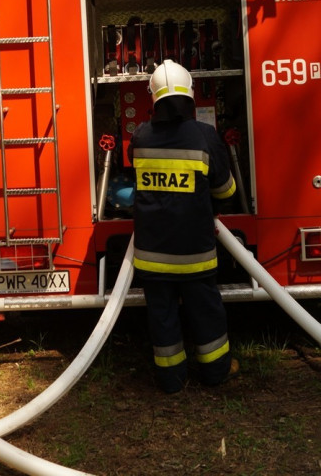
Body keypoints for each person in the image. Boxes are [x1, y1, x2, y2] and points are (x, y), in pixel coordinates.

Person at [128, 59, 238, 393]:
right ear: (190, 95)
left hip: (152, 254)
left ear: (153, 97)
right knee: (206, 313)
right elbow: (227, 191)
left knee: (161, 317)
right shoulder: (205, 135)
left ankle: (172, 380)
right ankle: (216, 372)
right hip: (195, 252)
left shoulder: (140, 136)